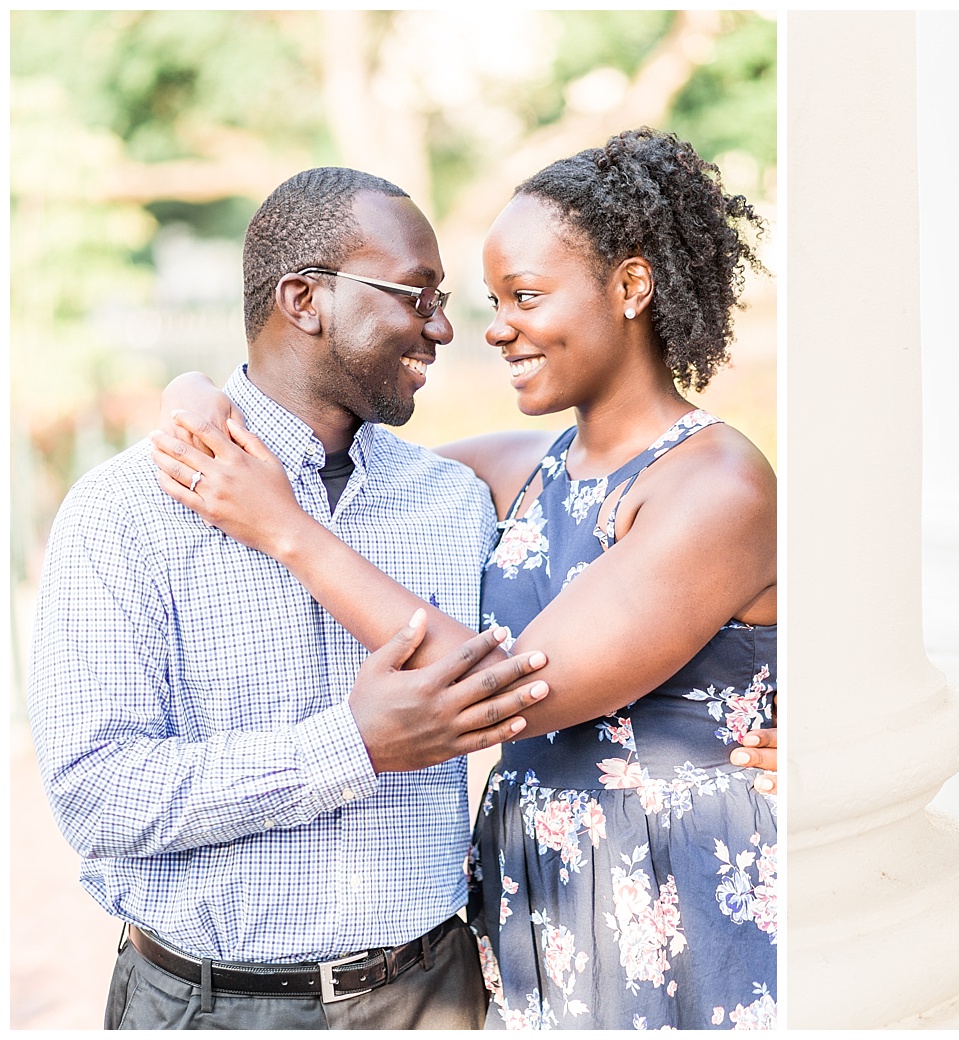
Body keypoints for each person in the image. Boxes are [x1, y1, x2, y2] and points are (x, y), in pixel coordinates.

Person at [151, 128, 777, 1030]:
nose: (490, 328)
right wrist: (194, 395)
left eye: (525, 295)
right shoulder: (523, 468)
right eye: (492, 299)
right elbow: (338, 465)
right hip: (540, 903)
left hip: (677, 893)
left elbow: (507, 694)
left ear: (631, 287)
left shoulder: (718, 485)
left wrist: (282, 530)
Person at [28, 167, 555, 1030]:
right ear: (304, 299)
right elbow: (96, 795)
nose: (443, 328)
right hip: (208, 1008)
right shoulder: (123, 511)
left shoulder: (456, 500)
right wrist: (350, 748)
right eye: (415, 294)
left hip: (432, 997)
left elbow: (606, 603)